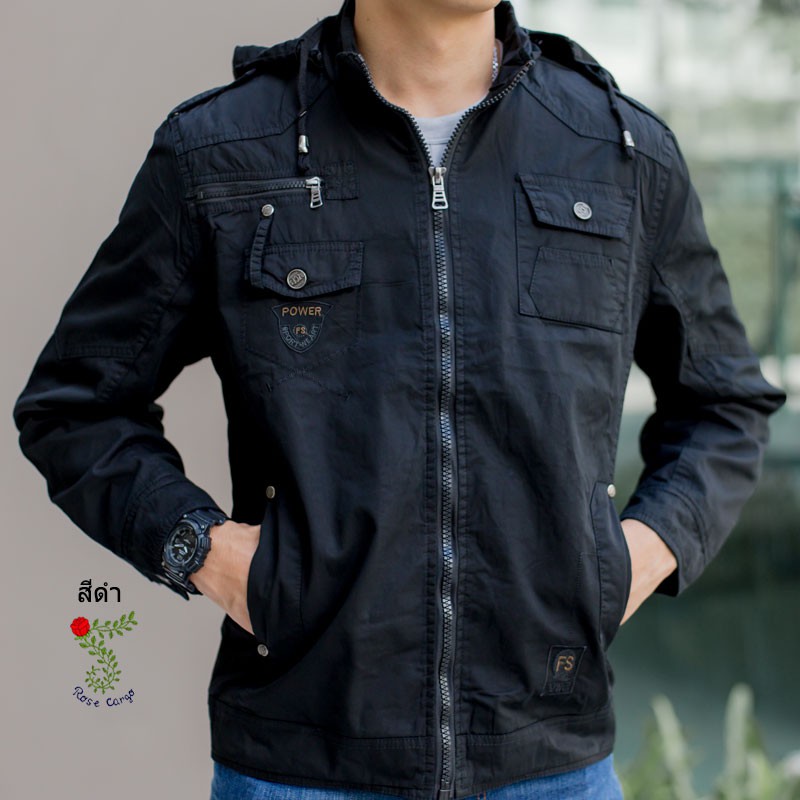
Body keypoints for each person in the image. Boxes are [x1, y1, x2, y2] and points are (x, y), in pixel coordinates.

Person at [13, 0, 786, 798]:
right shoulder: (224, 149)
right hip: (301, 767)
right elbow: (74, 406)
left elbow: (724, 403)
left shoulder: (617, 151)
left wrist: (632, 561)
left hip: (551, 765)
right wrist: (198, 549)